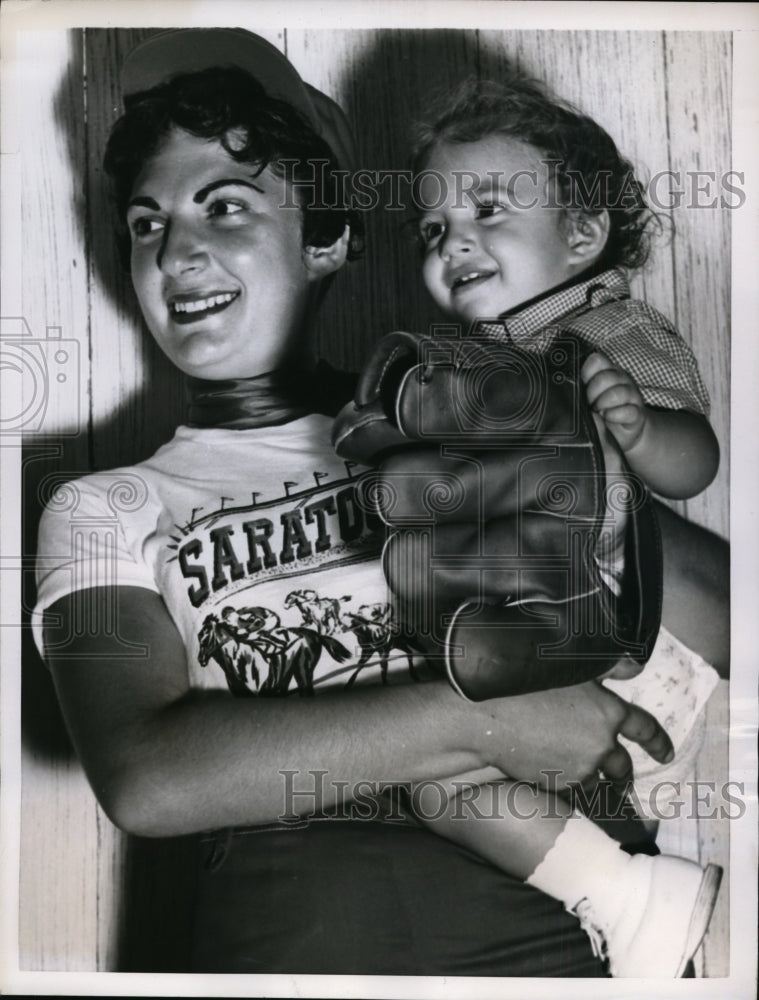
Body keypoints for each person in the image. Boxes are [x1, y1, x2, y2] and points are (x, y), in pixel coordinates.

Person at [32, 29, 728, 977]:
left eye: (223, 207)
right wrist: (480, 720)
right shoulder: (104, 504)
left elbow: (719, 620)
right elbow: (148, 778)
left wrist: (595, 489)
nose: (178, 251)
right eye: (147, 223)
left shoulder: (463, 407)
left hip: (605, 929)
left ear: (328, 238)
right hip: (311, 938)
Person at [333, 76, 726, 976]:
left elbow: (693, 464)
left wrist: (638, 428)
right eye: (433, 230)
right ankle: (628, 896)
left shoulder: (607, 333)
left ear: (581, 234)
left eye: (486, 209)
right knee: (433, 776)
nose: (453, 241)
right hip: (522, 652)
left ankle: (650, 897)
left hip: (630, 639)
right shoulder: (447, 366)